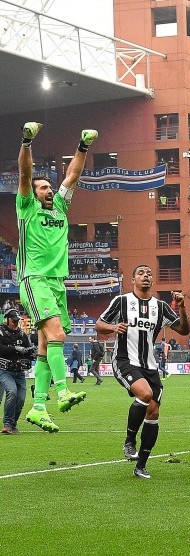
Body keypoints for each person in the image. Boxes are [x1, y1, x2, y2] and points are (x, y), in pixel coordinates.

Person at [17, 122, 98, 432]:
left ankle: (38, 407)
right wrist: (27, 143)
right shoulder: (26, 208)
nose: (48, 190)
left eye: (49, 187)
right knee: (58, 336)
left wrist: (83, 147)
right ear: (32, 194)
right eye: (43, 188)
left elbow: (72, 176)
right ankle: (62, 391)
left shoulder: (61, 206)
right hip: (34, 278)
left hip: (56, 283)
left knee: (44, 346)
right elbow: (25, 174)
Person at [95, 265, 190, 479]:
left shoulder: (161, 306)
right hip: (125, 360)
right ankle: (129, 441)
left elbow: (184, 330)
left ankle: (141, 466)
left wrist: (182, 308)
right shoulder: (121, 302)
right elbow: (99, 324)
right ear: (132, 279)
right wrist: (113, 328)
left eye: (149, 273)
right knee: (145, 395)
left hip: (150, 366)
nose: (146, 276)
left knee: (154, 412)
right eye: (141, 273)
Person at [0, 310, 35, 434]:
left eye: (17, 320)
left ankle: (13, 424)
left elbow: (28, 349)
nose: (16, 323)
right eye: (14, 320)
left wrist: (31, 353)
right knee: (12, 391)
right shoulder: (1, 332)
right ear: (7, 319)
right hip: (4, 370)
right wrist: (15, 348)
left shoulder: (22, 334)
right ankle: (7, 424)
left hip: (19, 371)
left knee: (21, 398)